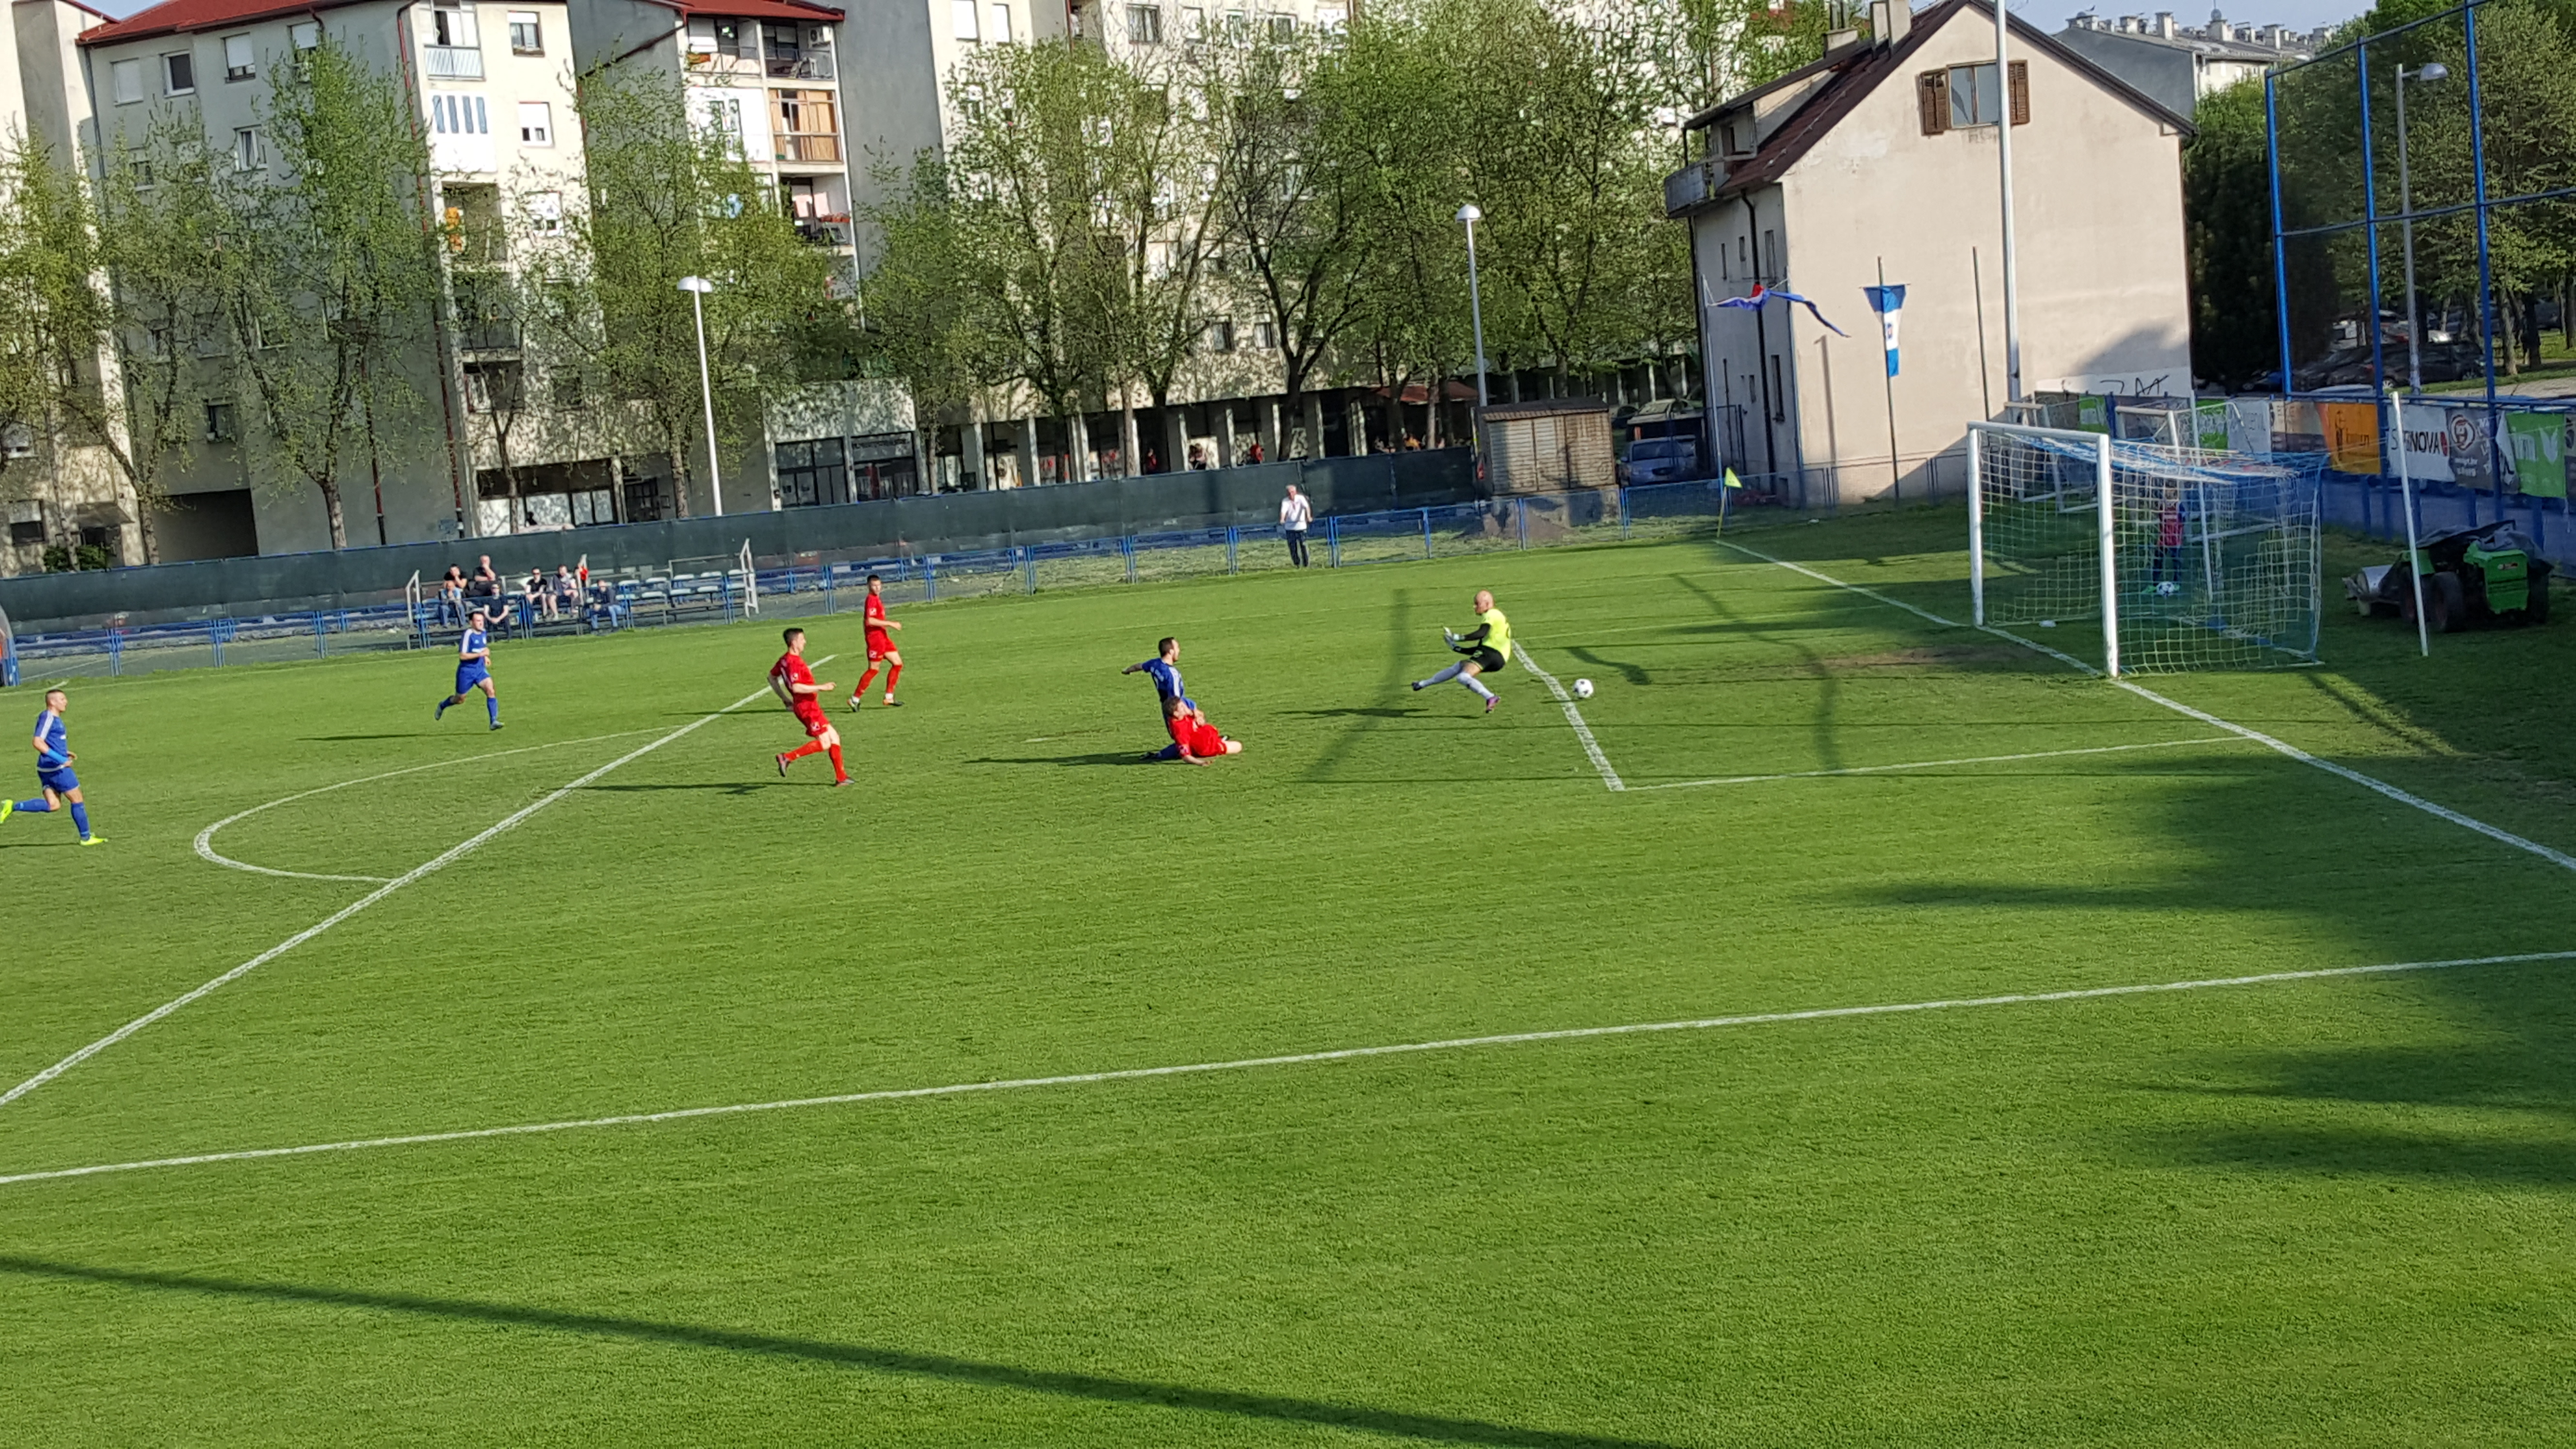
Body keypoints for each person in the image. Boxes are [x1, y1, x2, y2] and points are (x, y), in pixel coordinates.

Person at [3, 688, 102, 845]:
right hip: (57, 769)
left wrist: (63, 752)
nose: (66, 702)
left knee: (53, 805)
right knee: (77, 799)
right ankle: (86, 838)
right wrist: (61, 759)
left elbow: (49, 741)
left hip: (46, 768)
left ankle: (12, 806)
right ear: (52, 702)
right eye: (62, 699)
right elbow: (37, 742)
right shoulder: (48, 717)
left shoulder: (53, 718)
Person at [771, 627, 850, 786]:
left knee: (834, 737)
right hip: (807, 708)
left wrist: (785, 699)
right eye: (802, 639)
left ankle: (841, 778)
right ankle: (787, 757)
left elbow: (771, 677)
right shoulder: (794, 662)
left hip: (810, 706)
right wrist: (822, 687)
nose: (805, 642)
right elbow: (796, 687)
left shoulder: (784, 660)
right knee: (825, 743)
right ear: (794, 643)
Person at [1412, 589, 1511, 713]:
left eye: (1477, 604)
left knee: (1463, 677)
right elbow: (1479, 650)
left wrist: (1457, 637)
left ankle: (1490, 697)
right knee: (1460, 665)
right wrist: (1456, 648)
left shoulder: (1491, 614)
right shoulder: (1496, 619)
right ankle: (1422, 684)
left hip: (1491, 655)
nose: (1474, 607)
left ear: (1487, 604)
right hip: (1496, 658)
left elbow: (1481, 633)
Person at [1122, 636, 1194, 760]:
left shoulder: (1155, 664)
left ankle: (1210, 741)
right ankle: (1161, 755)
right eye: (1177, 648)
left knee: (1183, 737)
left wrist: (1128, 670)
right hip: (1177, 708)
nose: (1179, 650)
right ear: (1171, 651)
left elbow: (1140, 666)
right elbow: (1176, 699)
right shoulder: (1172, 674)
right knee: (1183, 738)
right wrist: (1189, 712)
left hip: (1167, 706)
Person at [435, 608, 503, 729]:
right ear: (471, 622)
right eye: (478, 621)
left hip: (480, 670)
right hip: (466, 672)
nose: (481, 623)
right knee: (460, 699)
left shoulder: (483, 632)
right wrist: (481, 655)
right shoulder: (468, 634)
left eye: (482, 621)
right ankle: (443, 705)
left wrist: (485, 657)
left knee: (491, 691)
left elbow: (482, 648)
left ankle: (493, 721)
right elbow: (463, 656)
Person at [847, 574, 905, 709]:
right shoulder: (871, 600)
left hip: (883, 638)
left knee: (898, 664)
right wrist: (890, 623)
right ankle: (855, 699)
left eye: (879, 585)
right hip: (875, 640)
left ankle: (889, 697)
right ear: (869, 586)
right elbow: (870, 621)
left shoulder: (877, 599)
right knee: (874, 670)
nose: (877, 588)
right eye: (874, 586)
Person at [1163, 696, 1243, 765]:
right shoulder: (1180, 731)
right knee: (1238, 746)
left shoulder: (1182, 716)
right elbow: (1186, 757)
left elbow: (1200, 715)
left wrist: (1196, 716)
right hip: (1207, 748)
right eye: (1182, 707)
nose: (1185, 707)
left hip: (1205, 741)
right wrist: (1200, 763)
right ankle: (1219, 742)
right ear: (1176, 714)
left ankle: (1218, 740)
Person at [1279, 483, 1313, 568]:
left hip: (1301, 526)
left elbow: (1307, 507)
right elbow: (1284, 511)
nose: (1291, 494)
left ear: (1296, 492)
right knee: (1293, 547)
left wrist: (1309, 516)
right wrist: (1282, 519)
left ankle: (1306, 564)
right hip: (1290, 527)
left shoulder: (1301, 498)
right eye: (1289, 493)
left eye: (1293, 492)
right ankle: (1297, 563)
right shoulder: (1285, 501)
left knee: (1303, 545)